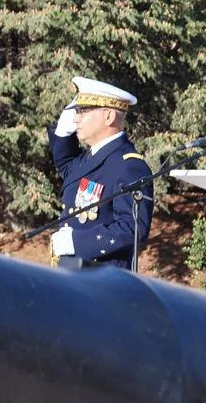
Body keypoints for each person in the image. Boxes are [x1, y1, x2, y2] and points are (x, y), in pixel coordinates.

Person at [47, 76, 154, 270]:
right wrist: (62, 133)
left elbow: (133, 227)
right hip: (73, 273)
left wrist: (77, 242)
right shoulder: (89, 158)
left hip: (102, 278)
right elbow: (66, 167)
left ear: (108, 116)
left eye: (83, 111)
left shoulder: (129, 166)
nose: (75, 118)